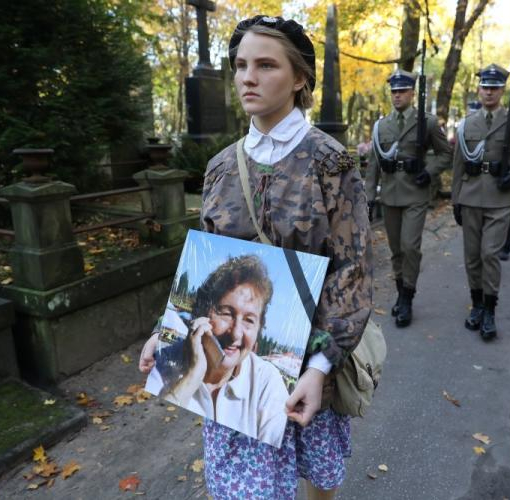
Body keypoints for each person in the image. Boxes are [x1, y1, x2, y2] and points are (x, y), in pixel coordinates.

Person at [141, 15, 371, 500]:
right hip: (235, 360)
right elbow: (208, 263)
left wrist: (320, 367)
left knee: (318, 478)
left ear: (300, 77)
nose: (248, 76)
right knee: (245, 488)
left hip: (309, 362)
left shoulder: (333, 161)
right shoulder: (221, 166)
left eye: (266, 65)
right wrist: (168, 335)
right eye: (241, 64)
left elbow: (352, 271)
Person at [143, 255, 289, 447]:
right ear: (202, 315)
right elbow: (154, 436)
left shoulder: (266, 380)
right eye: (226, 313)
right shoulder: (168, 361)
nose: (236, 333)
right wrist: (192, 376)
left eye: (249, 320)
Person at [451, 63, 510, 341]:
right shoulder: (467, 123)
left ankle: (490, 310)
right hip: (471, 195)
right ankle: (476, 305)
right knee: (472, 257)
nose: (489, 92)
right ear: (478, 89)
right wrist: (455, 199)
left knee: (490, 254)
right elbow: (458, 165)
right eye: (485, 87)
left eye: (494, 88)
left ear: (502, 90)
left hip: (500, 198)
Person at [364, 69, 451, 328]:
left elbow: (445, 154)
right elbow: (373, 163)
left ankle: (407, 298)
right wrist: (369, 197)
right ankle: (401, 288)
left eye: (402, 91)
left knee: (410, 246)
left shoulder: (428, 122)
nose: (397, 95)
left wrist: (428, 171)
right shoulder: (381, 125)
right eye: (394, 91)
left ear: (413, 93)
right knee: (396, 249)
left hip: (415, 192)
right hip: (390, 194)